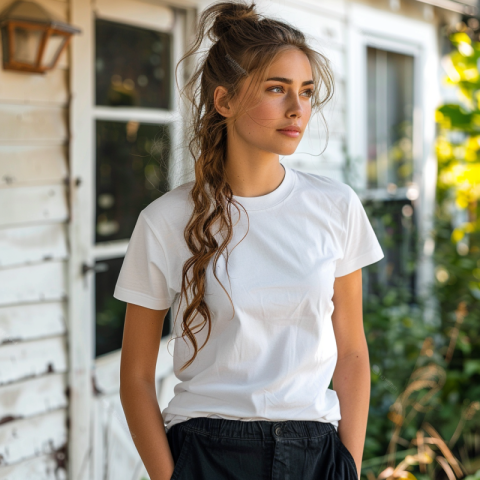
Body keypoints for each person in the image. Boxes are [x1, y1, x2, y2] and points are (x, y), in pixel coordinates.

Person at [114, 1, 384, 479]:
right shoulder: (164, 221)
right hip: (205, 452)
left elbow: (353, 352)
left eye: (305, 91)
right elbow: (135, 377)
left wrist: (350, 465)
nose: (298, 108)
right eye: (277, 89)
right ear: (224, 101)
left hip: (315, 451)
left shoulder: (336, 207)